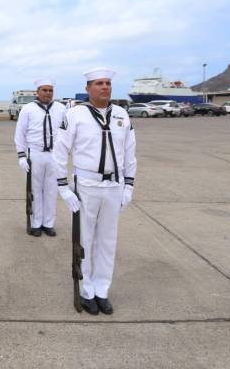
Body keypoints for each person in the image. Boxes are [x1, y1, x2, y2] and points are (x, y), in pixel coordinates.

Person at [53, 67, 137, 316]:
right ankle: (87, 290)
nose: (105, 87)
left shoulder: (122, 114)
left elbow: (130, 153)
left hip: (114, 186)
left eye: (108, 83)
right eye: (99, 83)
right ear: (88, 88)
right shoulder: (75, 114)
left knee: (107, 242)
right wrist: (63, 187)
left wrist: (129, 186)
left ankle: (102, 290)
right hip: (86, 187)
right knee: (85, 240)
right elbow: (60, 152)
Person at [14, 79, 66, 237]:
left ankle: (48, 223)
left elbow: (66, 133)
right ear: (38, 91)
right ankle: (36, 223)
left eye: (50, 90)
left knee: (51, 190)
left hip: (54, 155)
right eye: (44, 90)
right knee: (35, 191)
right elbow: (20, 133)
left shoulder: (61, 109)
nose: (48, 93)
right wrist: (21, 155)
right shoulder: (28, 109)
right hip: (35, 154)